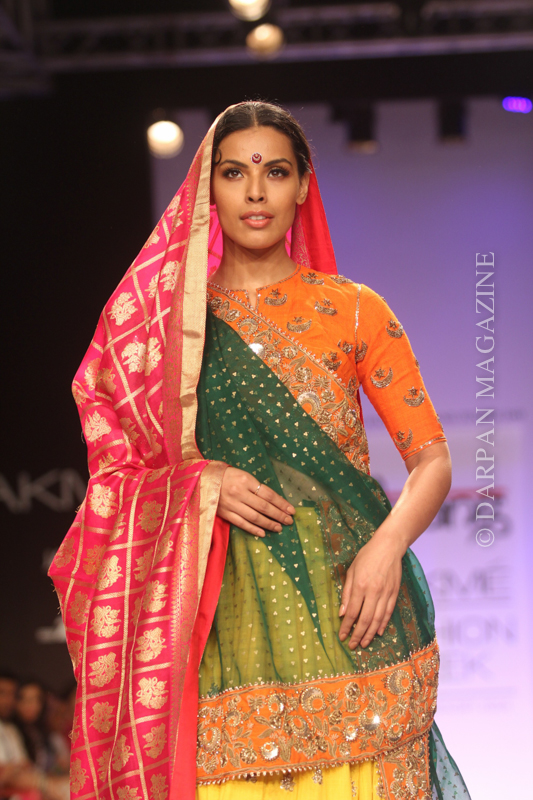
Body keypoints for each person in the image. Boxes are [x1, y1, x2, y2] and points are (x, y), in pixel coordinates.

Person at [49, 101, 471, 800]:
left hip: (353, 607)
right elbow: (115, 468)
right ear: (206, 191)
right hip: (224, 623)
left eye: (274, 172)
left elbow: (432, 459)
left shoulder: (354, 309)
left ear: (302, 185)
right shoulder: (165, 330)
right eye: (233, 173)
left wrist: (387, 546)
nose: (254, 192)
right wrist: (200, 480)